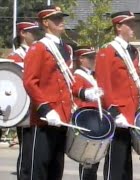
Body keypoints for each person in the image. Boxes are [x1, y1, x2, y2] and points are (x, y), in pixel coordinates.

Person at [95, 11, 140, 180]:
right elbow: (103, 85)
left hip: (131, 113)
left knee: (125, 164)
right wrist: (114, 112)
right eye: (129, 24)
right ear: (118, 27)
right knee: (115, 161)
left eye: (133, 24)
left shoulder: (133, 51)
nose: (133, 27)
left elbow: (132, 81)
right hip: (117, 115)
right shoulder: (107, 51)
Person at [22, 5, 76, 180]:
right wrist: (45, 109)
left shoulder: (66, 49)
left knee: (56, 169)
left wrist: (84, 93)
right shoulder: (38, 48)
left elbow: (68, 82)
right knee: (38, 170)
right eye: (56, 19)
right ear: (45, 22)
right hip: (45, 120)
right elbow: (30, 82)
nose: (61, 21)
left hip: (62, 119)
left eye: (61, 18)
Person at [6, 20, 41, 180]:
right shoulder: (15, 57)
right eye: (31, 31)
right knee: (27, 151)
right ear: (23, 33)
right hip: (24, 111)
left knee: (39, 151)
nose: (35, 35)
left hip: (40, 107)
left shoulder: (38, 52)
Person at [71, 47, 103, 180]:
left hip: (96, 118)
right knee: (87, 157)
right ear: (81, 59)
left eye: (93, 57)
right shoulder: (77, 75)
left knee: (95, 157)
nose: (93, 60)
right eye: (90, 58)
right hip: (86, 119)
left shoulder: (93, 75)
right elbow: (76, 91)